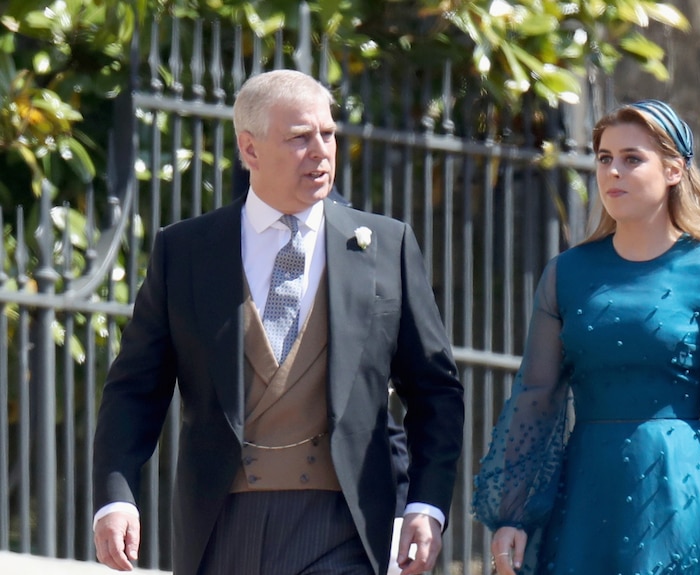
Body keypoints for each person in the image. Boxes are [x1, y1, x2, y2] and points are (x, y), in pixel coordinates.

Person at [92, 69, 464, 575]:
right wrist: (116, 497)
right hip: (221, 525)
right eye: (299, 138)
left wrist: (426, 504)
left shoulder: (385, 246)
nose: (321, 150)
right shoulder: (186, 251)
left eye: (328, 134)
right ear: (250, 150)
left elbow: (435, 390)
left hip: (346, 525)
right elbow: (134, 389)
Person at [472, 99, 700, 575]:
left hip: (683, 498)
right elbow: (536, 397)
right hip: (586, 499)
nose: (613, 173)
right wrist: (514, 515)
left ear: (673, 170)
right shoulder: (566, 273)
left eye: (632, 159)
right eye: (605, 159)